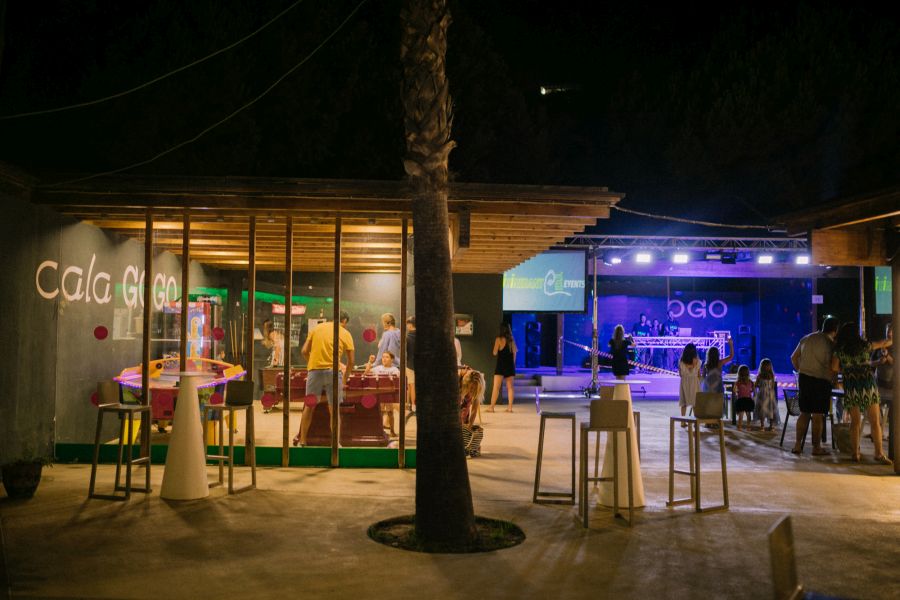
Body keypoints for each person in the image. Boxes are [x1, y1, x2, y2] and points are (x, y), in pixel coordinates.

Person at [831, 323, 892, 464]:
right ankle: (879, 453)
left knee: (855, 422)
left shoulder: (839, 350)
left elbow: (834, 367)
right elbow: (886, 342)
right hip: (868, 385)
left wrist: (847, 369)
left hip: (851, 386)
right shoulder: (865, 346)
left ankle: (855, 453)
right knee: (875, 422)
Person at [293, 311, 355, 447]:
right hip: (333, 373)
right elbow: (351, 361)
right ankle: (335, 443)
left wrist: (312, 364)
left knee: (309, 407)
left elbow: (304, 351)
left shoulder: (317, 328)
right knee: (333, 409)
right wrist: (345, 378)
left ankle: (302, 441)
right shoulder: (345, 333)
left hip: (314, 373)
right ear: (344, 321)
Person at [790, 317, 838, 456]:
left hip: (804, 379)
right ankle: (816, 448)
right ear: (835, 330)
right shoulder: (831, 344)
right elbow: (833, 367)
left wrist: (801, 370)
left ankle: (798, 445)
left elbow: (793, 357)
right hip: (821, 382)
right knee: (817, 415)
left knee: (804, 413)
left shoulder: (807, 338)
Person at [364, 351, 401, 436]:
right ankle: (379, 431)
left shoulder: (394, 370)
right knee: (379, 412)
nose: (384, 359)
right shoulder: (377, 368)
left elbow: (397, 380)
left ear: (392, 359)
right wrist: (370, 362)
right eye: (383, 357)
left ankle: (392, 431)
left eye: (387, 357)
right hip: (378, 395)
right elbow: (366, 373)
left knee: (390, 413)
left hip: (388, 395)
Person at [488, 322, 517, 412]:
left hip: (500, 365)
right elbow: (515, 353)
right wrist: (512, 364)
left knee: (496, 387)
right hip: (509, 365)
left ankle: (492, 407)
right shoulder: (511, 340)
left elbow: (494, 352)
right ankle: (510, 408)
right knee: (510, 387)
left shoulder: (498, 339)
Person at [459, 368, 486, 457]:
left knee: (464, 417)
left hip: (465, 392)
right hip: (460, 386)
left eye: (474, 390)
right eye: (471, 389)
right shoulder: (460, 379)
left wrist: (469, 427)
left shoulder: (478, 383)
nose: (472, 391)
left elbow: (474, 409)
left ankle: (466, 445)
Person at [874, 323, 893, 441]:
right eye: (887, 331)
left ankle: (892, 434)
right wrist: (879, 361)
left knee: (893, 410)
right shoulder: (880, 345)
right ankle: (878, 432)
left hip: (892, 385)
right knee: (875, 409)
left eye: (891, 331)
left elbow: (895, 362)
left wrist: (888, 357)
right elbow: (871, 362)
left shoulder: (896, 345)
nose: (889, 333)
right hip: (879, 383)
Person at [753, 358, 778, 431]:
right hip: (770, 394)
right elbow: (773, 386)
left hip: (762, 395)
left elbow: (756, 385)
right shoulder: (772, 375)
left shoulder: (759, 376)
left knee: (762, 410)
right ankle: (771, 426)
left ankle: (762, 426)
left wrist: (760, 386)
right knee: (770, 409)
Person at [678, 343, 701, 418]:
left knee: (684, 403)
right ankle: (696, 421)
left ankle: (683, 421)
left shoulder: (681, 362)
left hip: (684, 383)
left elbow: (680, 374)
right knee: (695, 403)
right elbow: (698, 375)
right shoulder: (698, 362)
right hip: (694, 383)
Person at [733, 364, 754, 431]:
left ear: (739, 373)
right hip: (748, 399)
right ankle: (748, 426)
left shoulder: (738, 382)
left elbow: (734, 390)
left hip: (741, 400)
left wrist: (737, 392)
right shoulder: (750, 382)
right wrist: (749, 391)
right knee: (748, 414)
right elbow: (753, 389)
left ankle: (739, 426)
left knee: (741, 414)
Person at [405, 316, 416, 411]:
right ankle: (411, 404)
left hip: (410, 364)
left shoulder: (408, 337)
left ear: (410, 325)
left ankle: (412, 405)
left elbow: (406, 352)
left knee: (411, 385)